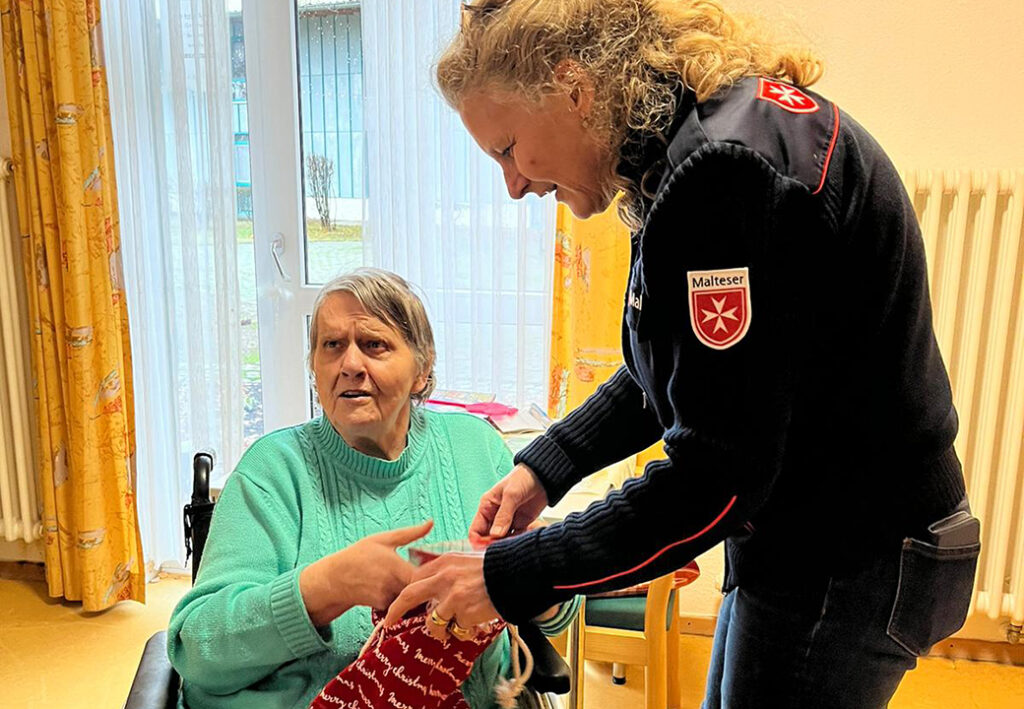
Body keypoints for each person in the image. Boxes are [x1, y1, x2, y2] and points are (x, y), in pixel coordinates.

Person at [385, 2, 981, 707]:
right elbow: (683, 370)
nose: (513, 185)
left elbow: (714, 479)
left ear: (575, 88)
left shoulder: (722, 178)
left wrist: (506, 575)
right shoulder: (692, 145)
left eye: (508, 148)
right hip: (817, 537)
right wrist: (546, 466)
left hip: (851, 556)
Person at [167, 268, 579, 709]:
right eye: (332, 346)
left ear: (422, 370)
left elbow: (553, 619)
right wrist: (325, 588)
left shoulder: (475, 447)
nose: (349, 365)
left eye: (374, 344)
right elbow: (197, 648)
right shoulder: (273, 470)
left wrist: (531, 577)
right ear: (314, 367)